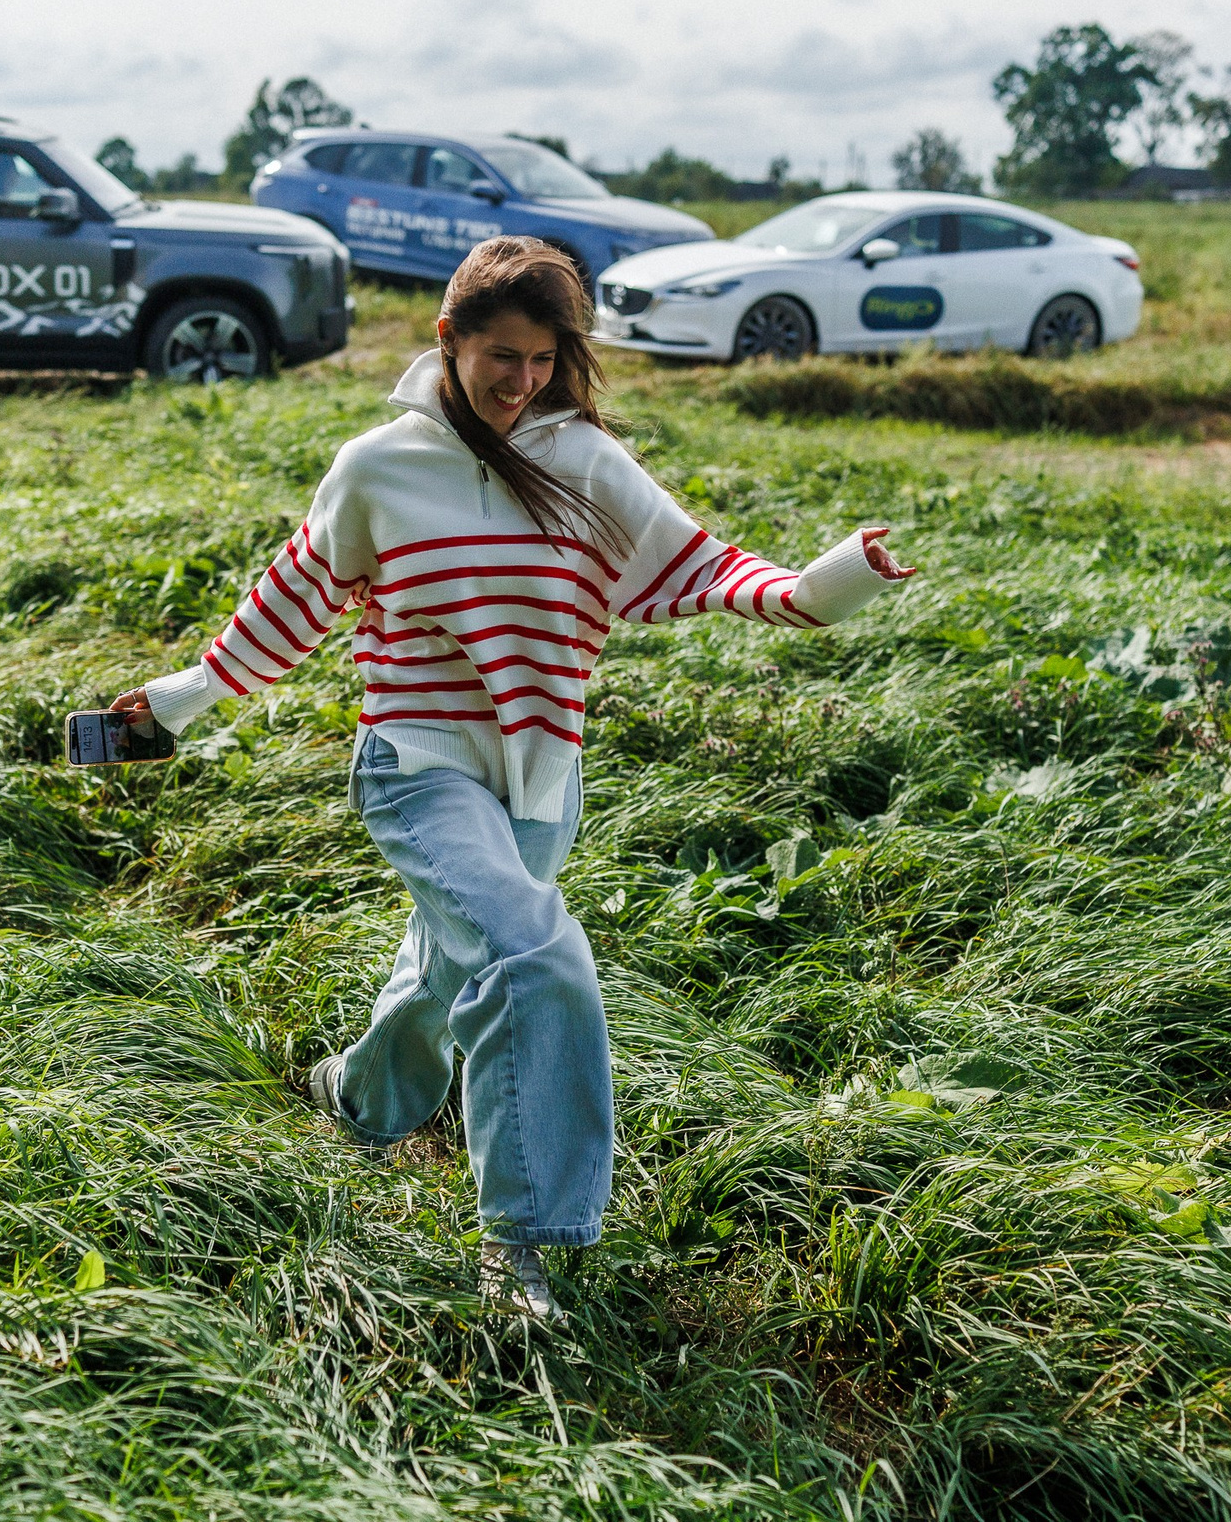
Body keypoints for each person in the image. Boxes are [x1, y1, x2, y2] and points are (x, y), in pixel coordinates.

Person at [114, 237, 913, 1318]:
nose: (522, 382)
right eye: (502, 356)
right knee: (534, 956)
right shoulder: (379, 467)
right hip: (416, 763)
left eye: (543, 360)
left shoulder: (584, 460)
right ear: (448, 338)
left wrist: (825, 585)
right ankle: (522, 1241)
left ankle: (355, 1099)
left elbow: (697, 563)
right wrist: (177, 701)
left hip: (543, 777)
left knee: (450, 971)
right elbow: (293, 598)